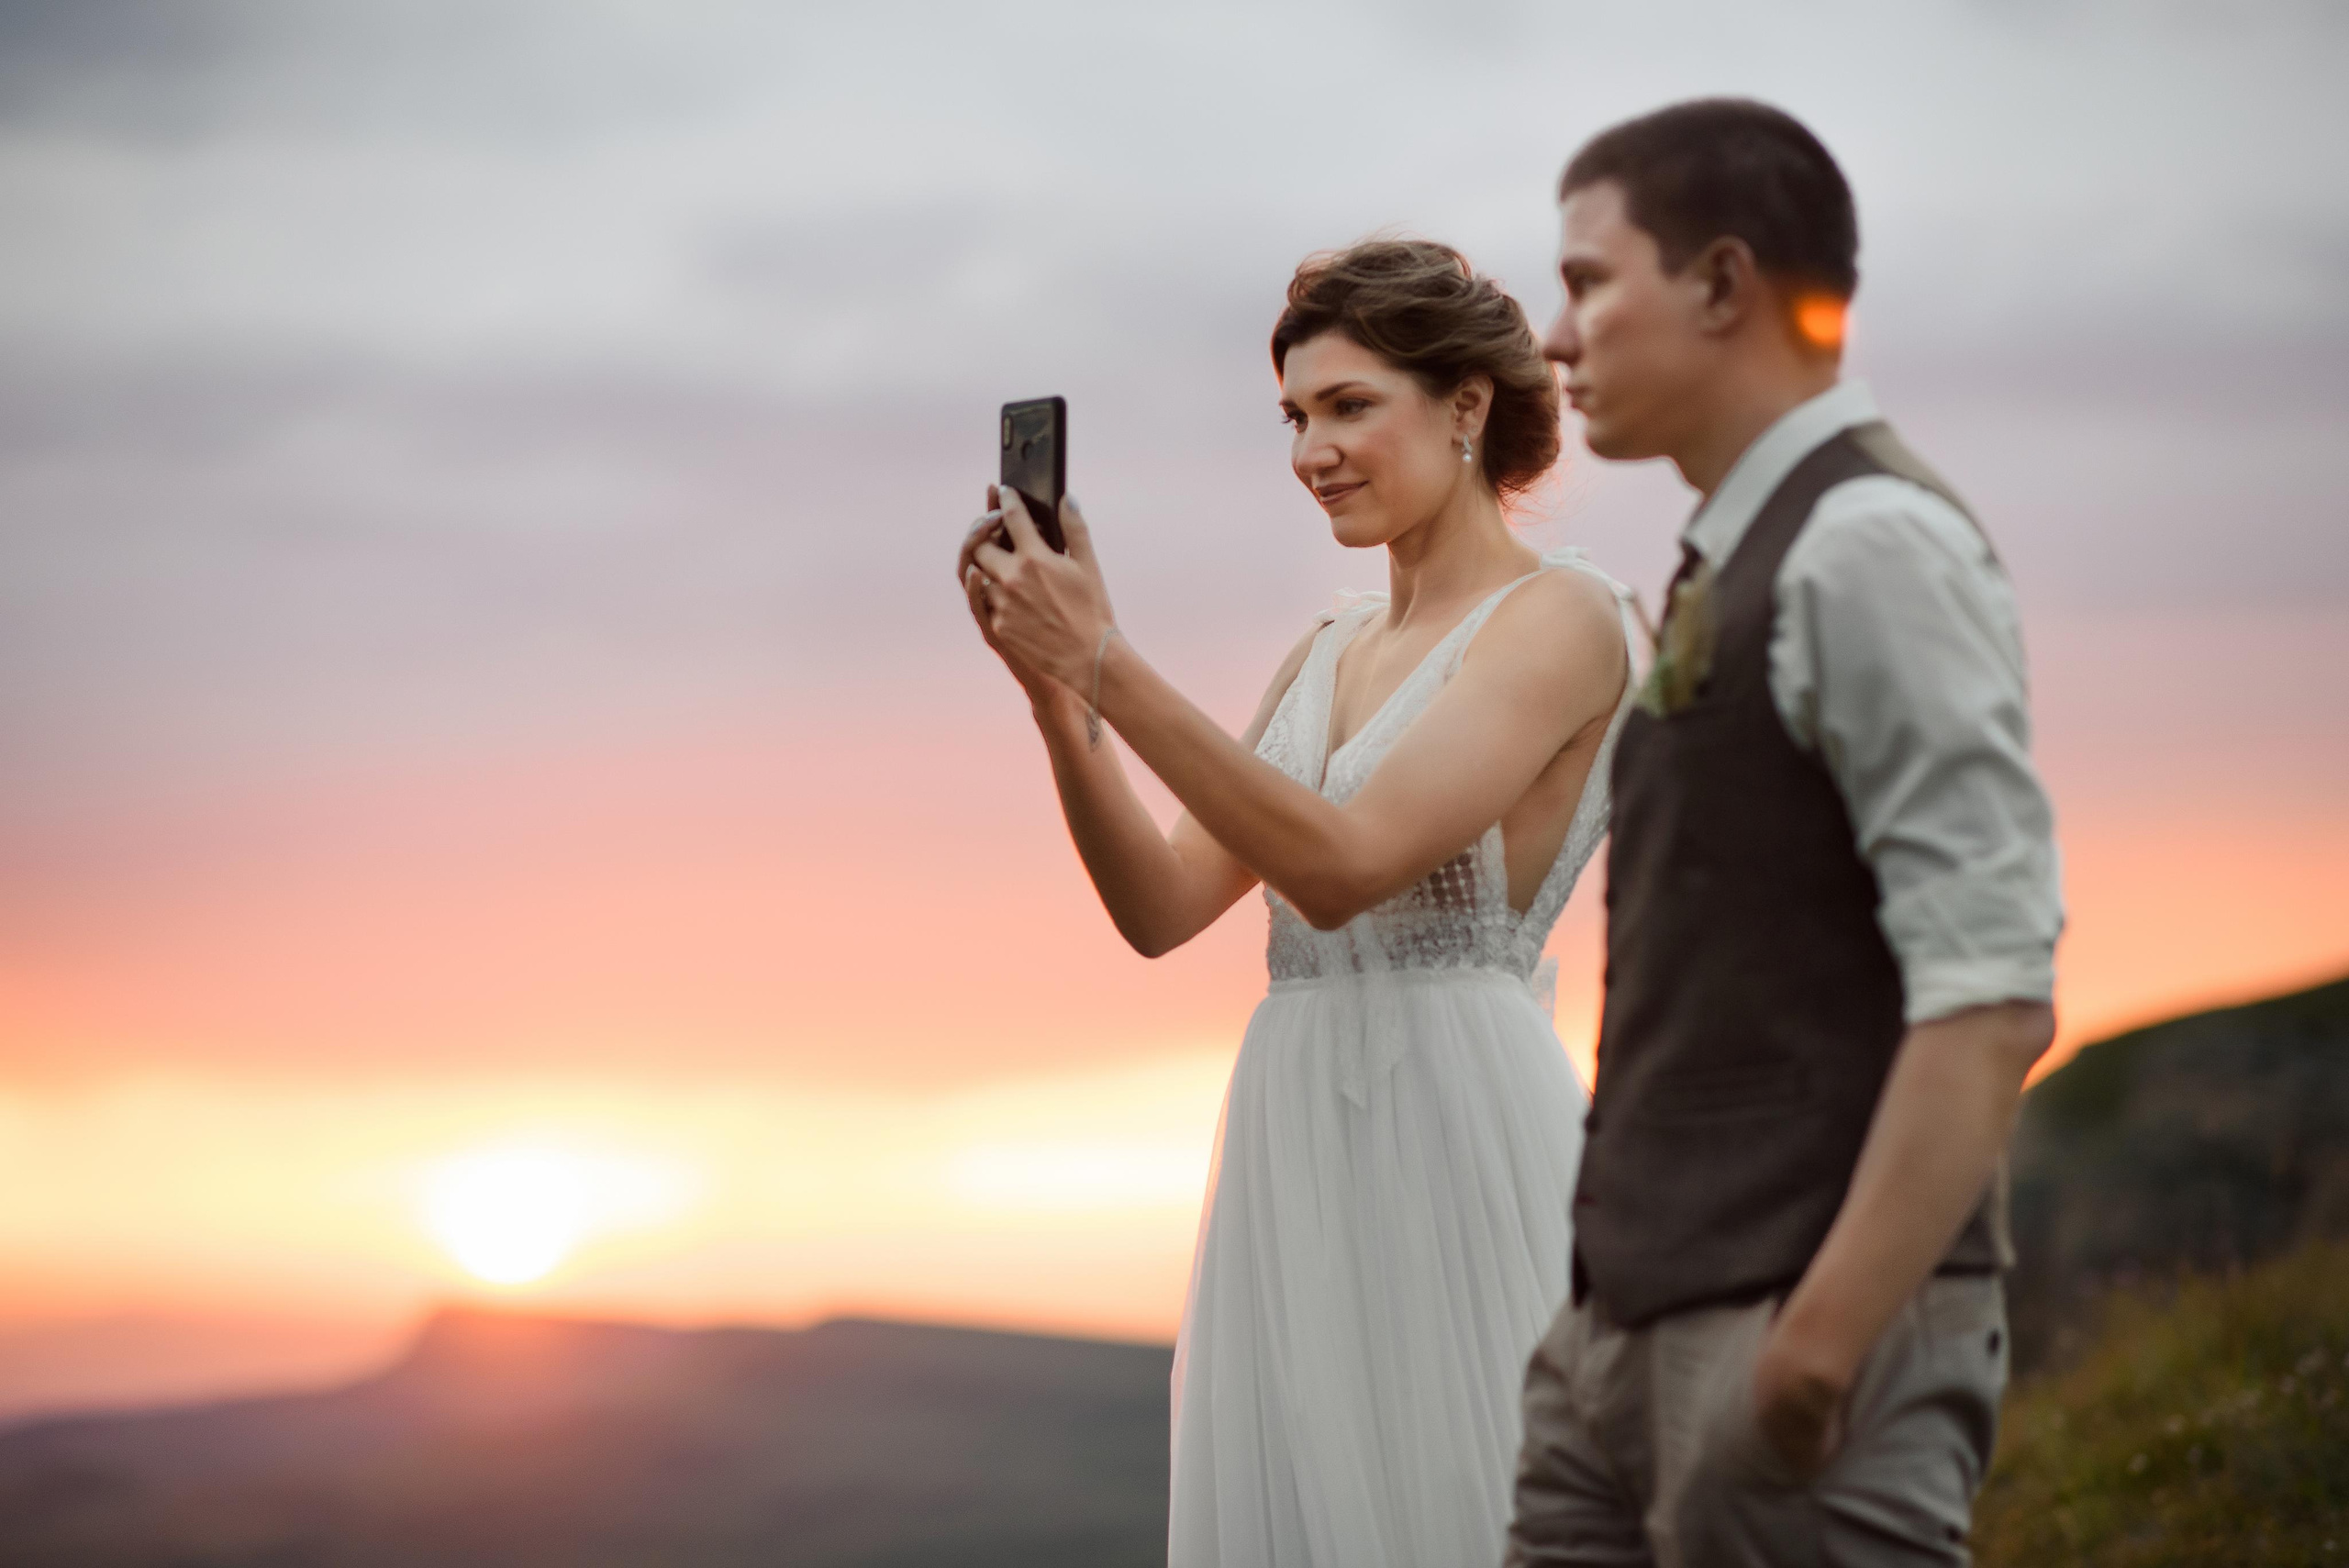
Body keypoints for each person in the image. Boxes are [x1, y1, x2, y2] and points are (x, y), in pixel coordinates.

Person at [956, 239, 1639, 1567]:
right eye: (1295, 414)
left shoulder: (1567, 619)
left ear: (1463, 407)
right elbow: (1161, 903)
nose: (1311, 449)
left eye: (1348, 406)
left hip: (1462, 1131)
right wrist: (1055, 700)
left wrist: (1106, 660)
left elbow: (1343, 861)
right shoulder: (1326, 652)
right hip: (1298, 1150)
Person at [1504, 100, 2065, 1566]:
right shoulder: (1737, 557)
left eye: (1585, 281)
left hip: (1783, 1350)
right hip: (1618, 1343)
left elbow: (1994, 991)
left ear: (1723, 283)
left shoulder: (1870, 544)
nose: (1554, 341)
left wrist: (1810, 1357)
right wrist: (1590, 1345)